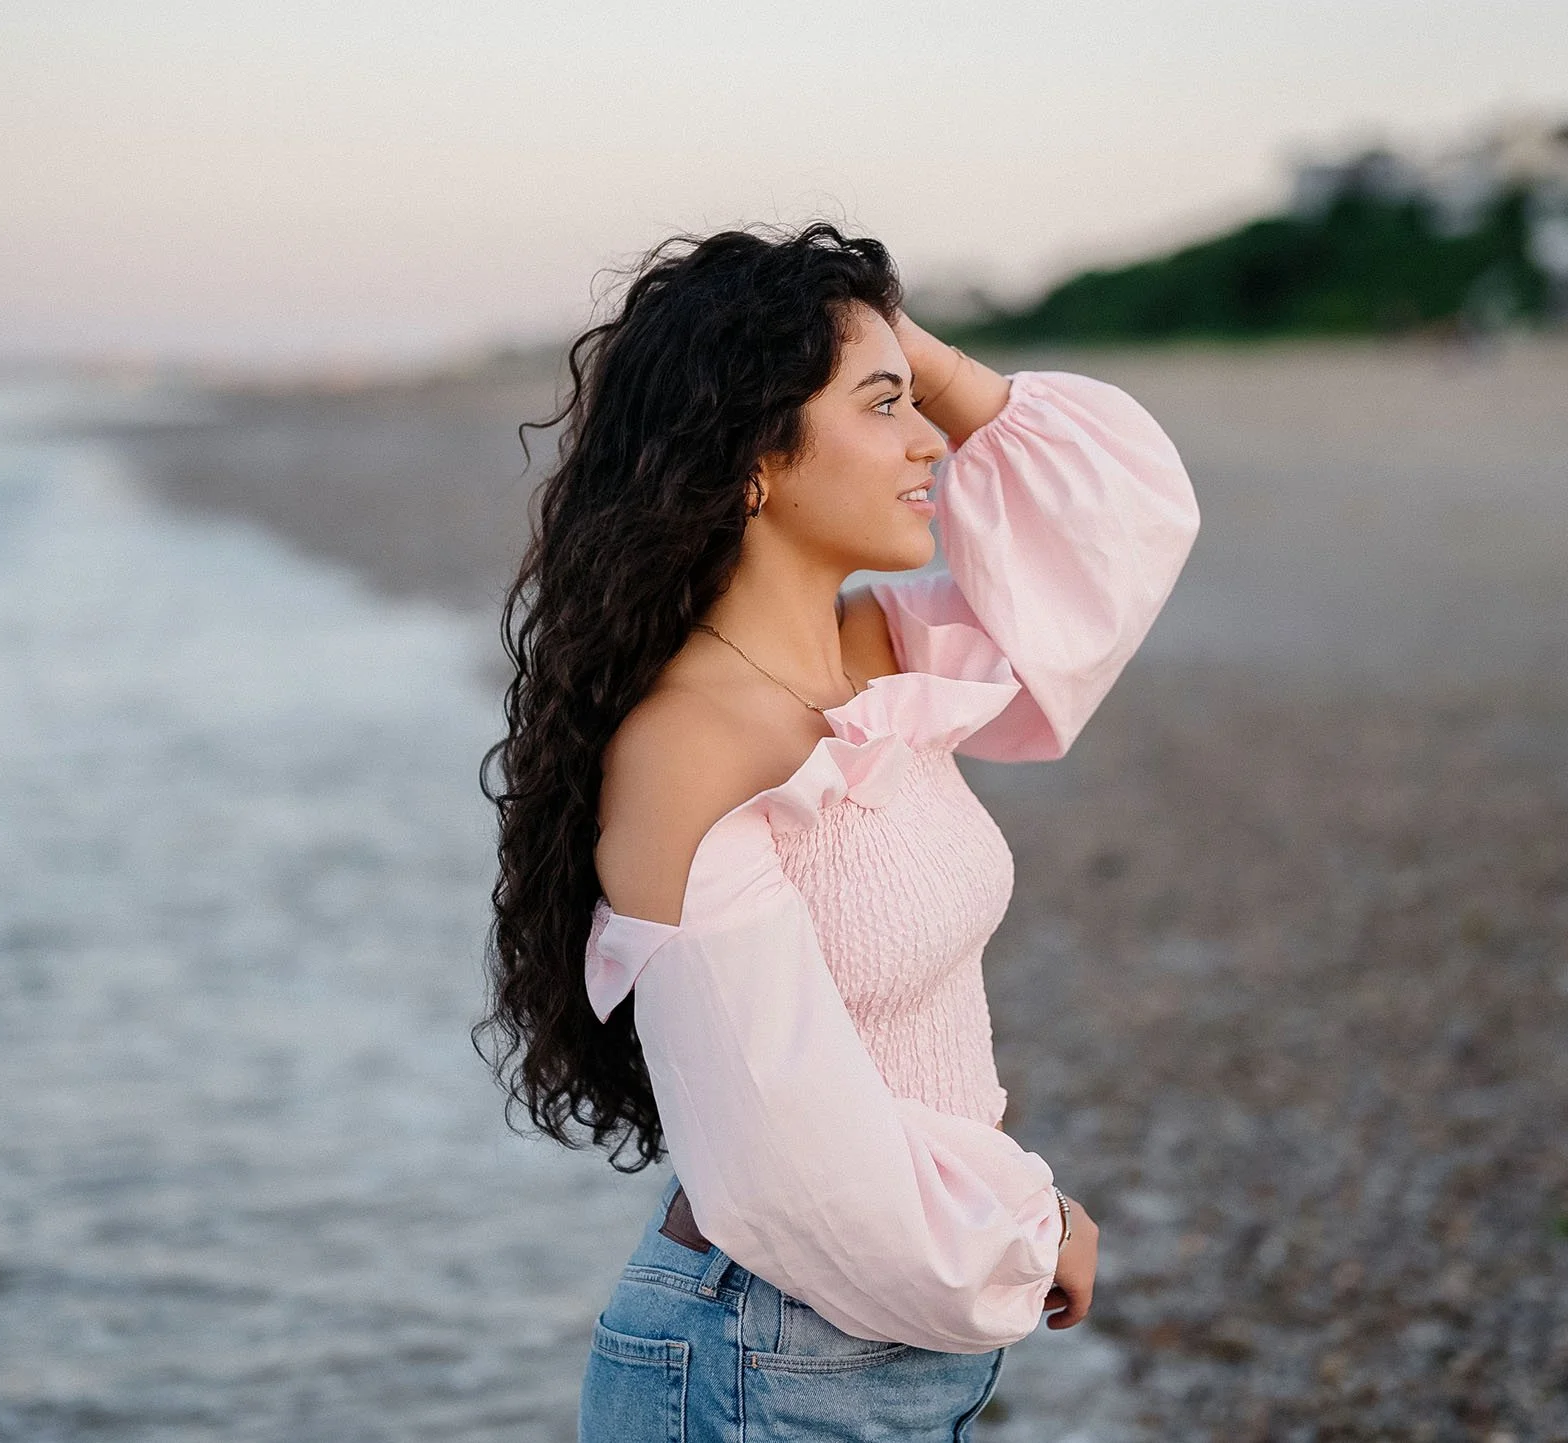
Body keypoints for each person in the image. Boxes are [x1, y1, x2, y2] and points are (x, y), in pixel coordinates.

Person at [474, 221, 1200, 1439]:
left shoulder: (877, 648)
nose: (930, 441)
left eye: (919, 401)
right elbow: (787, 1166)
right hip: (763, 1361)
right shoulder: (689, 744)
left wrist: (880, 330)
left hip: (864, 1340)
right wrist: (1032, 1225)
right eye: (882, 406)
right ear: (752, 454)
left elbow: (1116, 528)